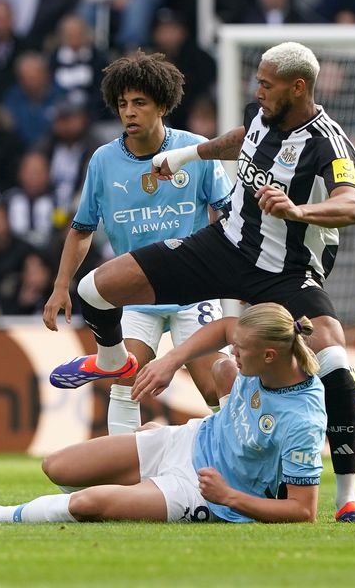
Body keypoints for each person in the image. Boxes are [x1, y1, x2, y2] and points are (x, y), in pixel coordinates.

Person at [48, 41, 355, 523]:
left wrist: (298, 210)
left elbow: (353, 204)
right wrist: (187, 156)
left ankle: (353, 499)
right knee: (93, 289)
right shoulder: (262, 115)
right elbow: (239, 138)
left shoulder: (329, 143)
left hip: (287, 275)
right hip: (225, 248)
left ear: (298, 87)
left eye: (266, 84)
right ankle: (113, 365)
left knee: (333, 368)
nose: (258, 91)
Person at [0, 303, 326, 524]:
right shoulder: (268, 344)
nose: (234, 349)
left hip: (205, 491)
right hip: (185, 440)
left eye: (242, 349)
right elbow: (222, 337)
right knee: (57, 467)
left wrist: (229, 495)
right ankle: (141, 486)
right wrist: (172, 361)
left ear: (270, 356)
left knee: (88, 503)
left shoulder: (301, 420)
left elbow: (303, 512)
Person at [43, 50, 233, 436]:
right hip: (136, 296)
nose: (129, 112)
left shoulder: (196, 149)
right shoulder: (102, 161)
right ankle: (125, 480)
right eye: (123, 104)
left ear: (162, 105)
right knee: (125, 385)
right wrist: (61, 286)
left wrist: (242, 280)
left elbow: (231, 218)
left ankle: (242, 468)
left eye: (139, 103)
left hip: (194, 292)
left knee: (218, 382)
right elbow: (81, 229)